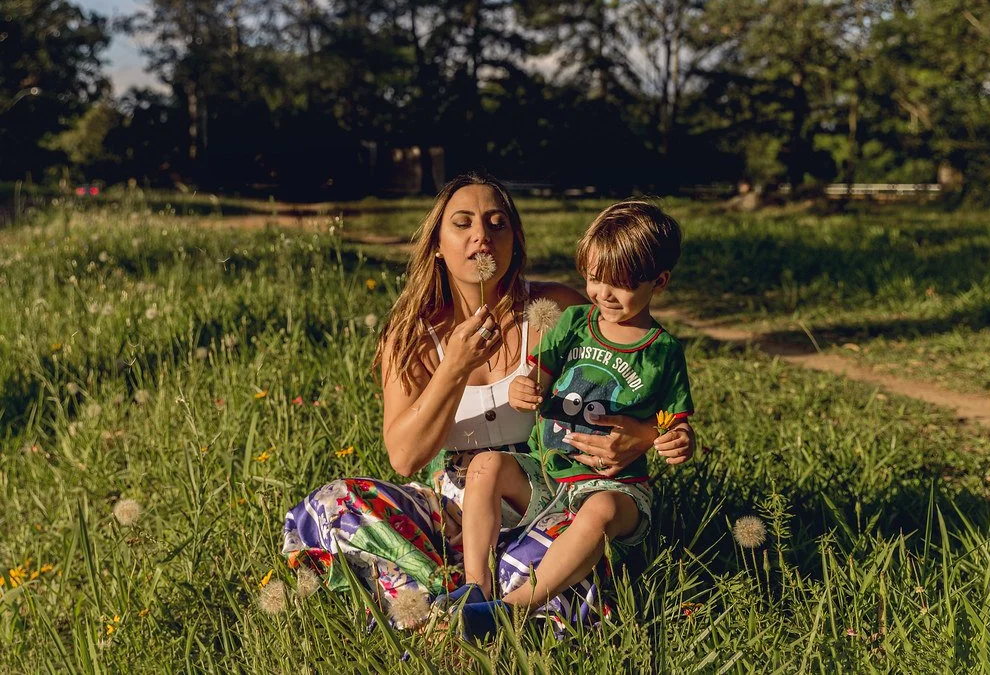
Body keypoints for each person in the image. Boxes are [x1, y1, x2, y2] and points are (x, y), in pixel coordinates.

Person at [281, 174, 695, 630]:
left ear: (515, 241)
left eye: (497, 224)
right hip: (451, 514)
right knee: (336, 503)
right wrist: (454, 367)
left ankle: (458, 607)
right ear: (438, 246)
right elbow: (404, 458)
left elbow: (629, 384)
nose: (482, 235)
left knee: (565, 560)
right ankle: (466, 598)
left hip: (546, 499)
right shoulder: (410, 334)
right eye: (463, 223)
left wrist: (643, 438)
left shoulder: (558, 310)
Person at [451, 200, 694, 639]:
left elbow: (673, 422)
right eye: (595, 278)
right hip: (548, 474)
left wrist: (674, 440)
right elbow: (537, 377)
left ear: (659, 281)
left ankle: (510, 610)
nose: (604, 293)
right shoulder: (576, 322)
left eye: (622, 284)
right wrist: (524, 389)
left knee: (601, 511)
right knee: (485, 465)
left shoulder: (663, 352)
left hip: (615, 486)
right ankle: (475, 588)